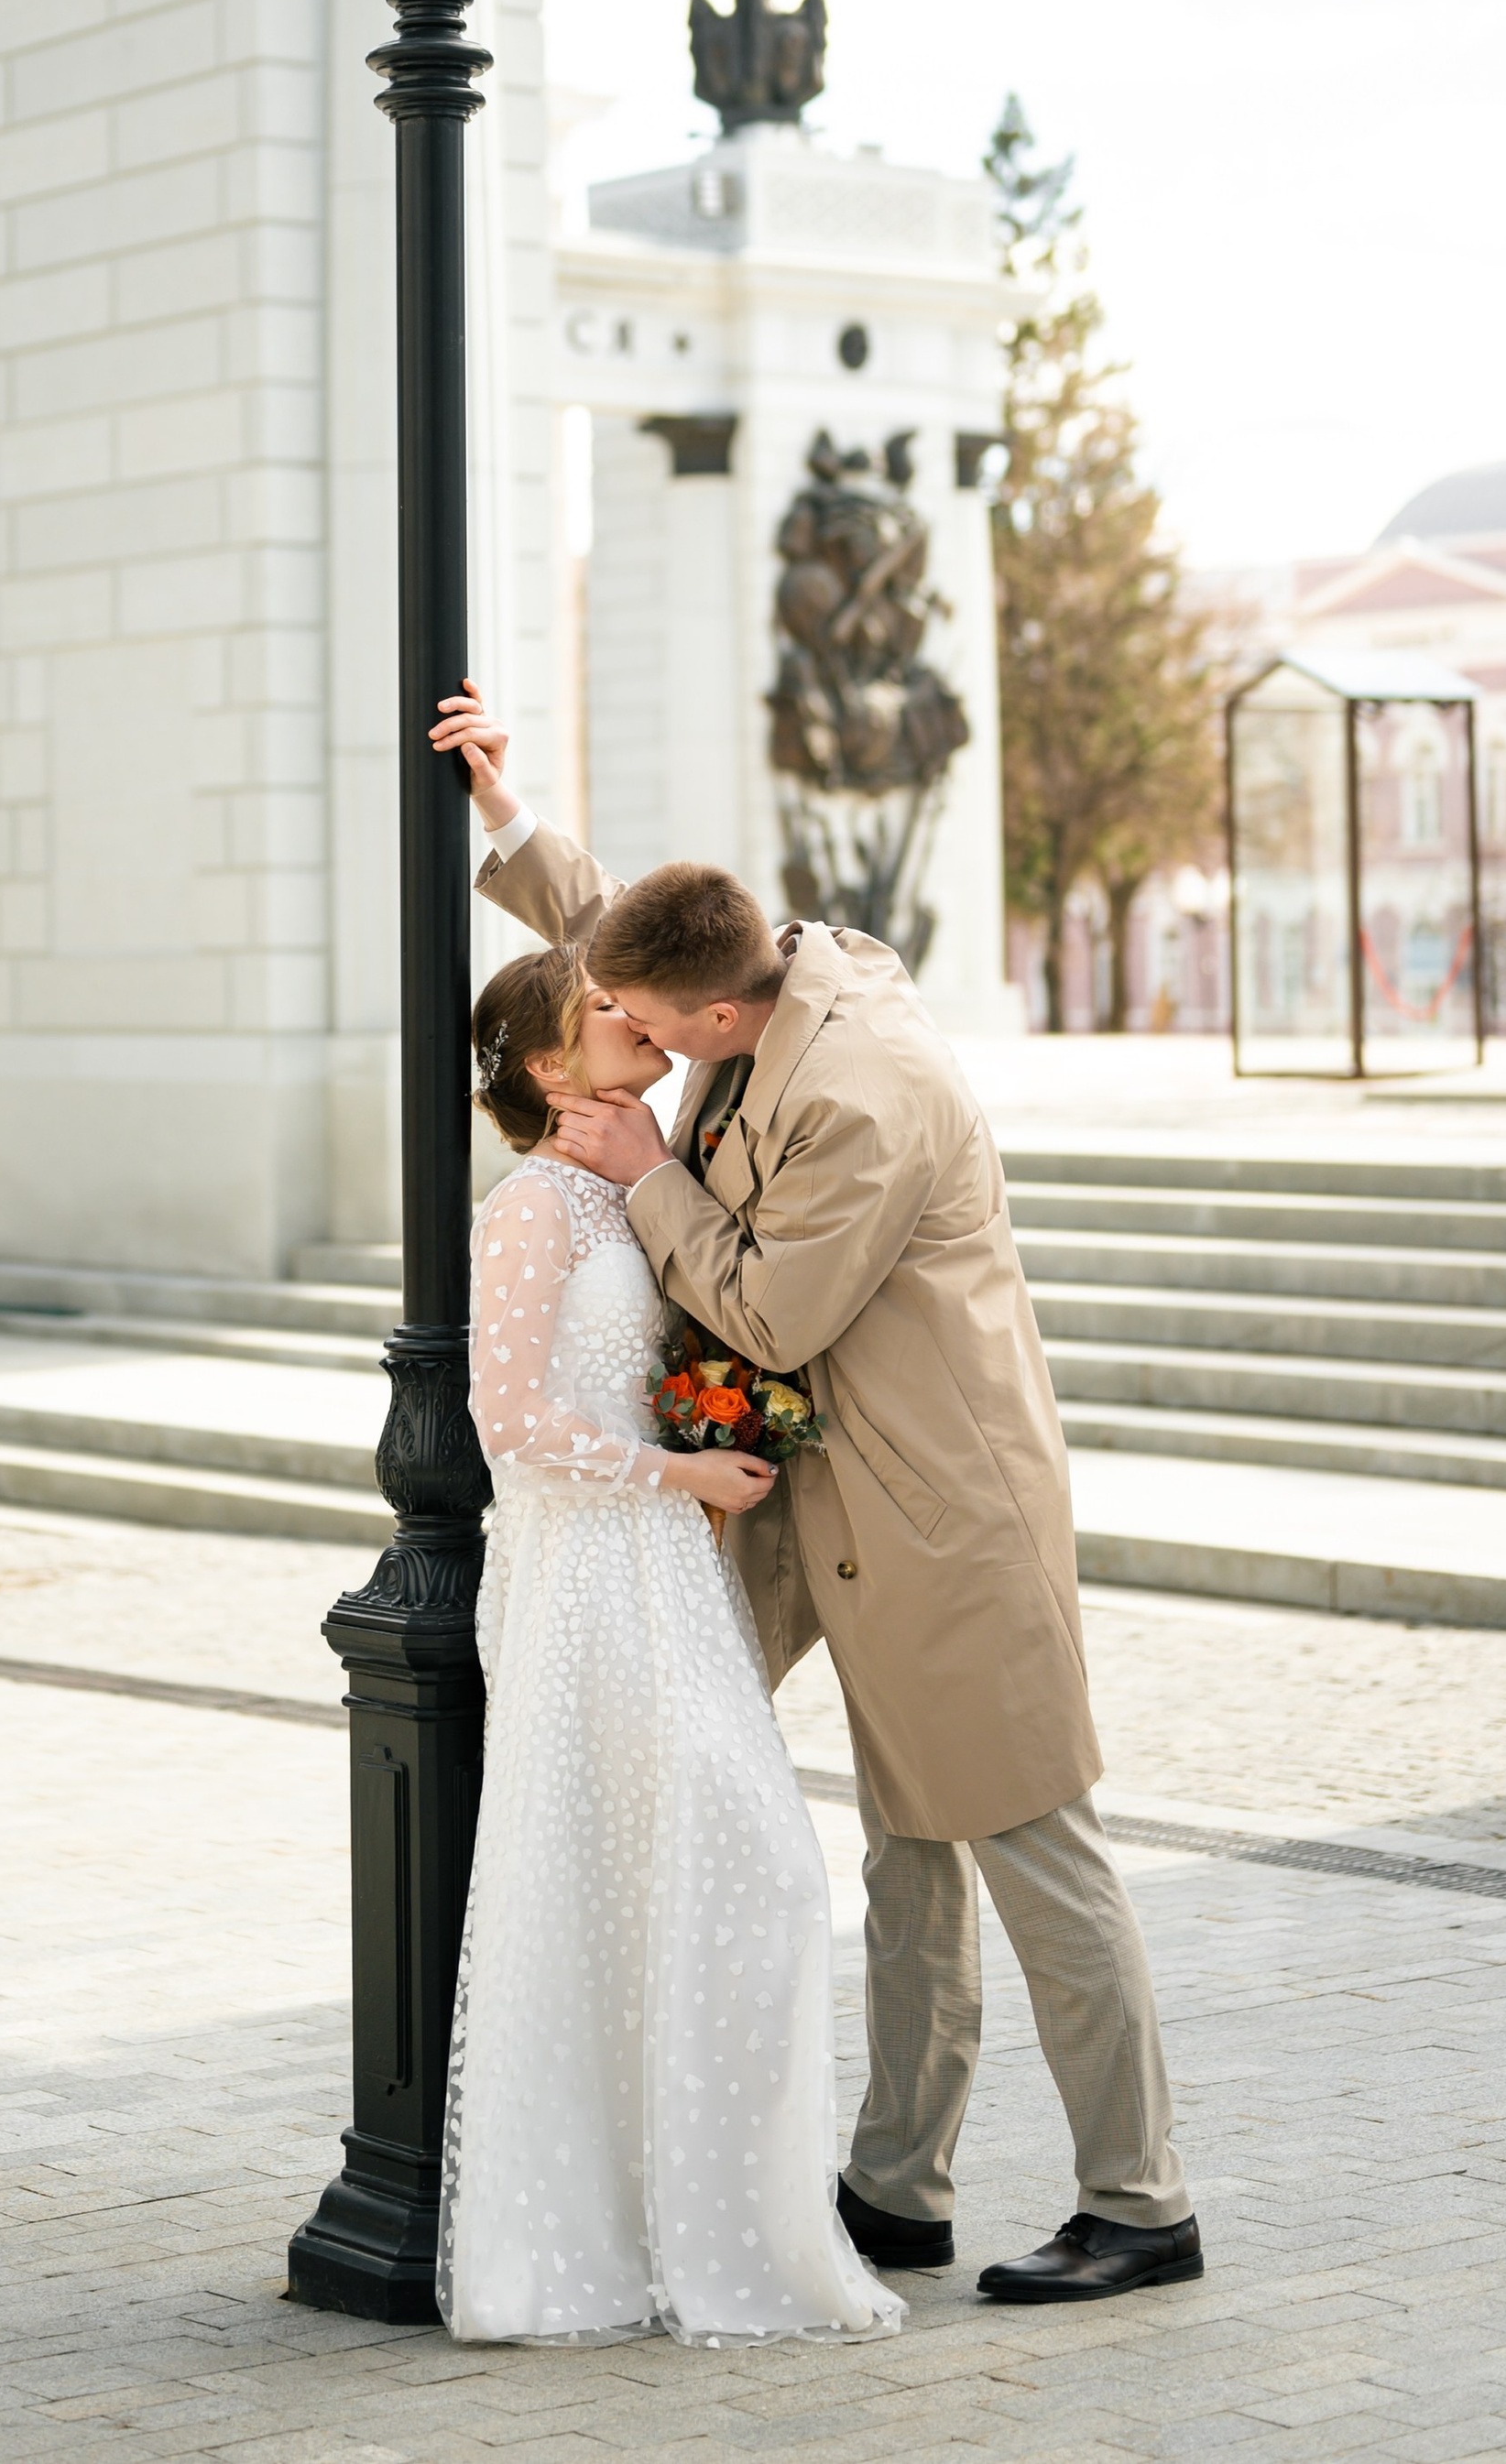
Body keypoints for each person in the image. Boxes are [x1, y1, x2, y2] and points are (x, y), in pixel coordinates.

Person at [431, 680, 1202, 2310]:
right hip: (818, 1506)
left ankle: (1141, 2203)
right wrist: (511, 814)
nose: (632, 1048)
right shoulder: (753, 978)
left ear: (709, 1022)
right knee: (900, 1863)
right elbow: (628, 946)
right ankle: (895, 2187)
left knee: (1029, 1844)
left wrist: (643, 1177)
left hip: (941, 1516)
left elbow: (776, 1313)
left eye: (648, 1031)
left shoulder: (864, 1093)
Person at [440, 938, 901, 2352]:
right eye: (600, 1010)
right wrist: (682, 1478)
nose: (632, 1017)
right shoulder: (530, 1210)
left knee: (726, 1881)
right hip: (589, 1576)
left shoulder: (631, 1185)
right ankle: (605, 2236)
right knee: (660, 1883)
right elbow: (506, 1423)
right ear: (542, 1063)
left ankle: (705, 2213)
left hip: (660, 1571)